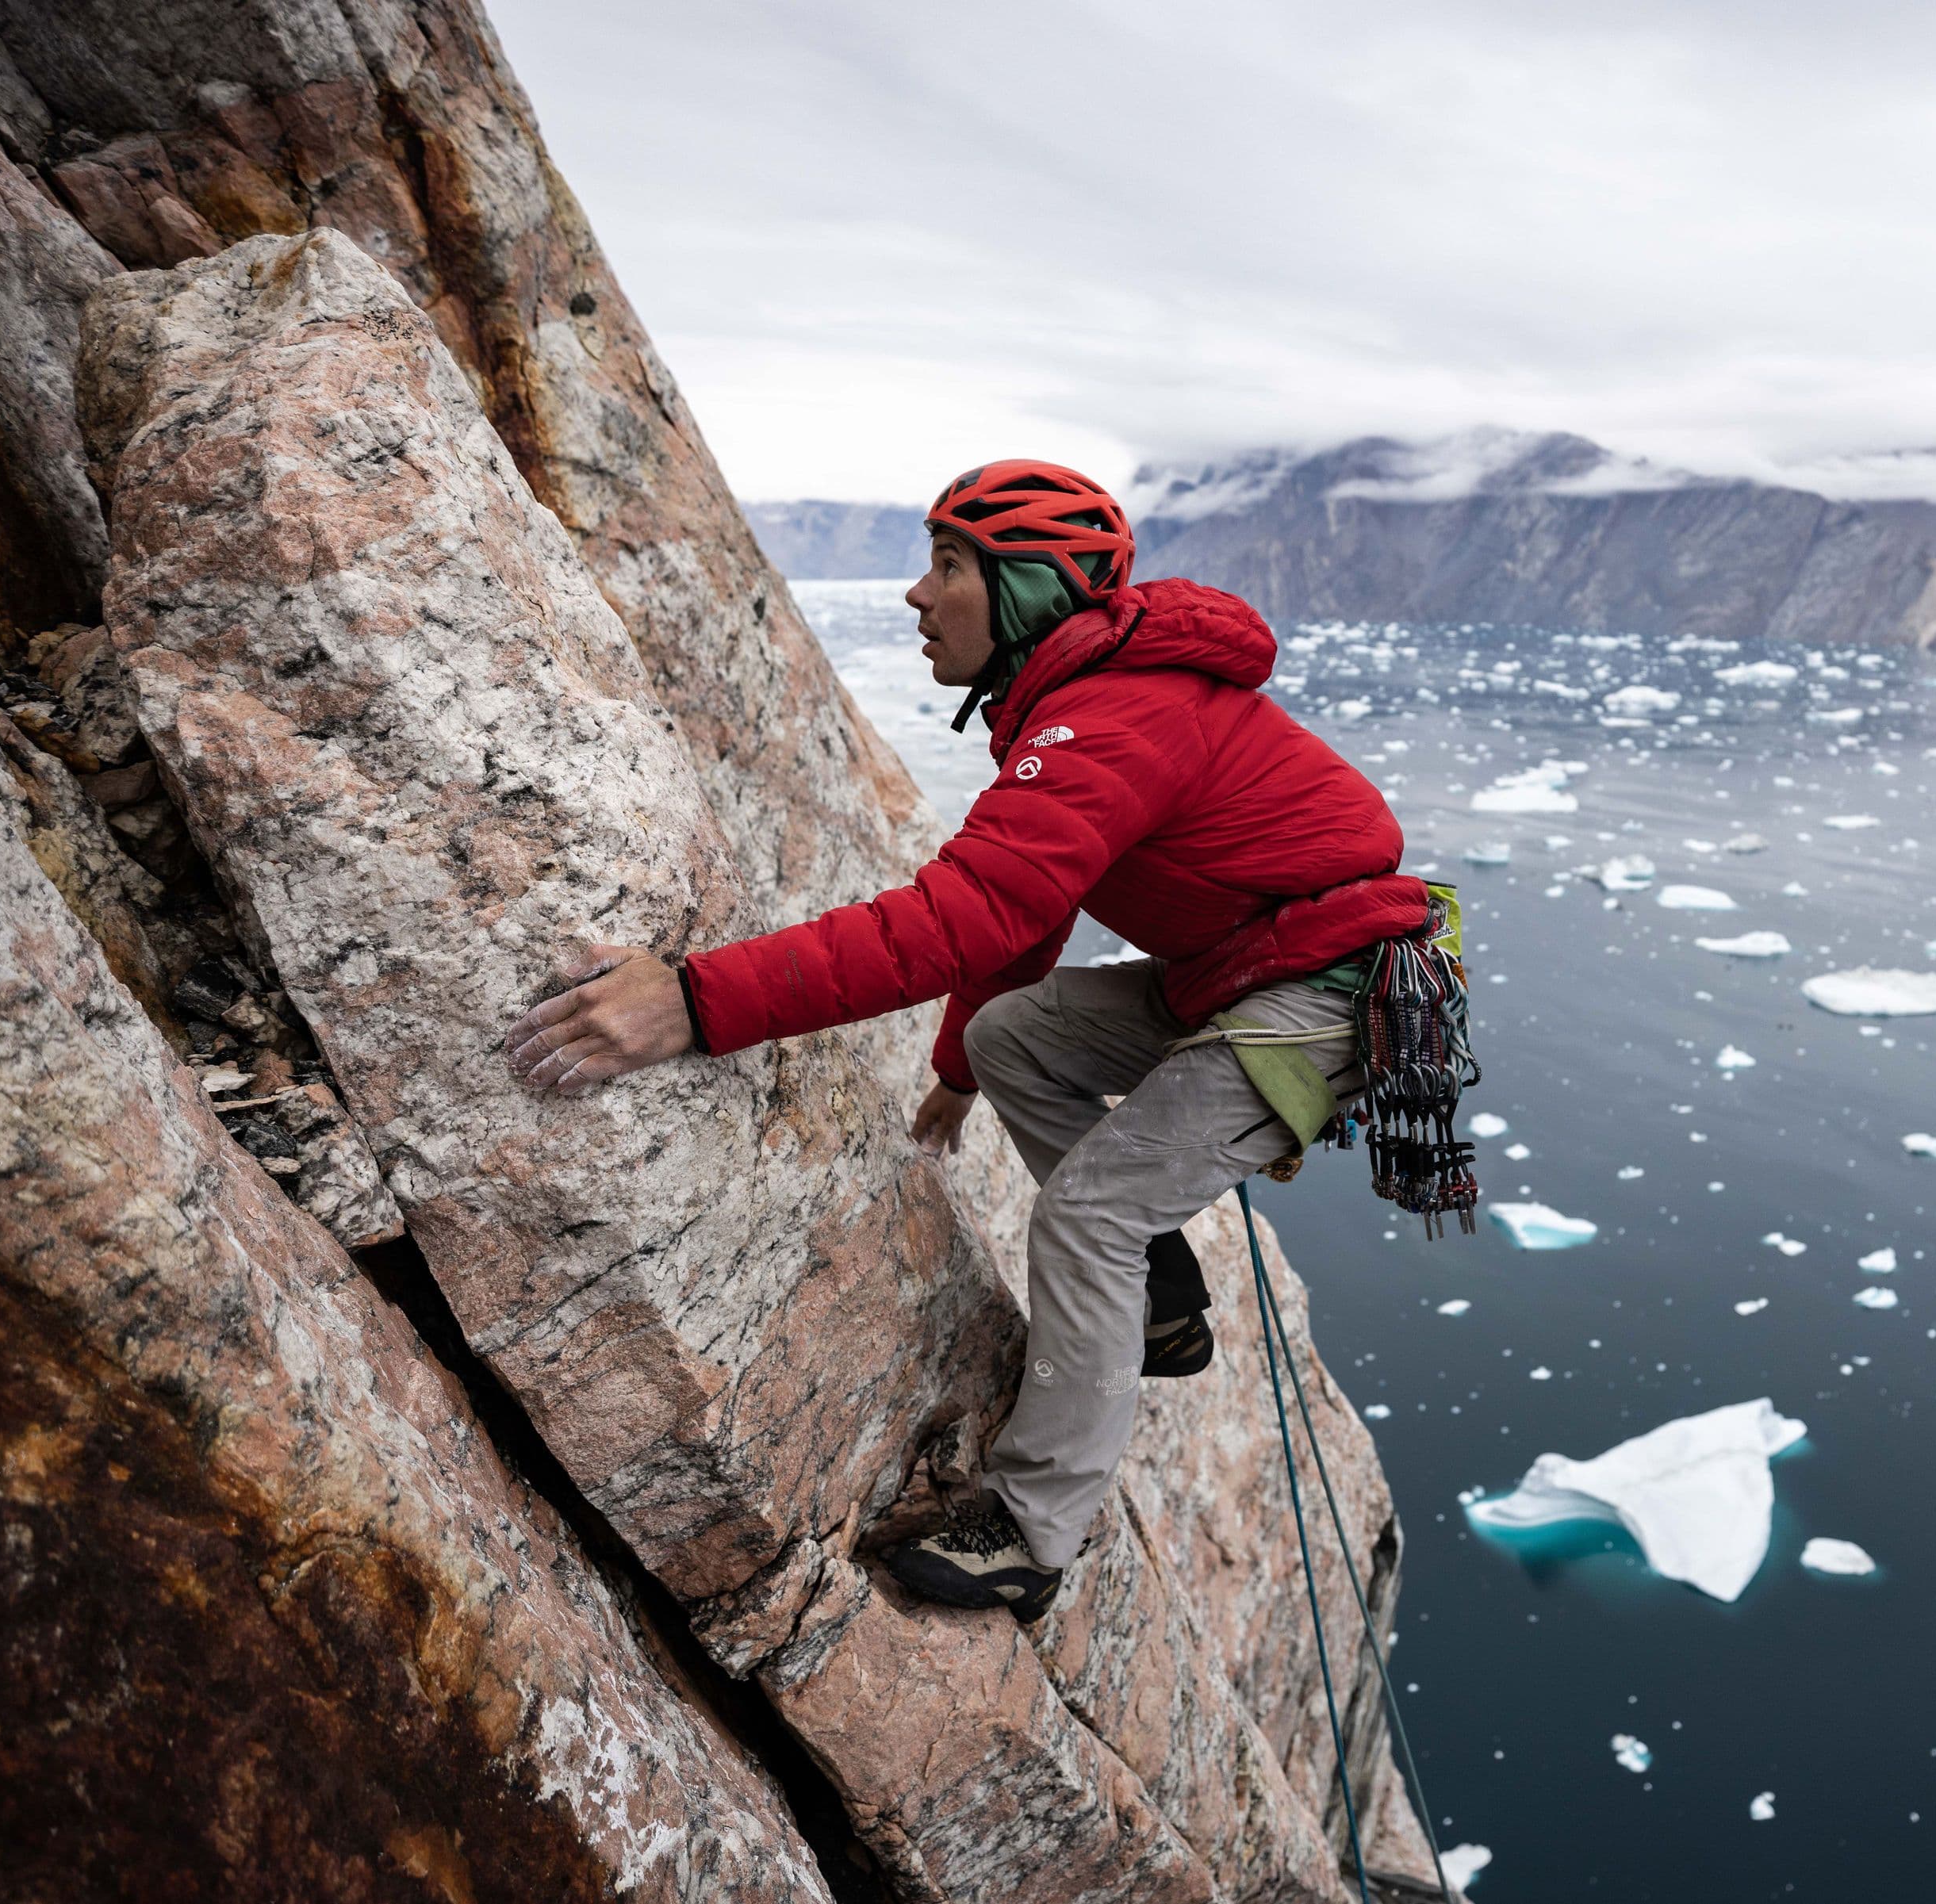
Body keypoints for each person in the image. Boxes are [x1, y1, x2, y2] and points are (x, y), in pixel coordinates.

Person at [501, 461, 1426, 1622]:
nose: (917, 595)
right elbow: (1023, 913)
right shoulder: (1080, 702)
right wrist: (957, 1068)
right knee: (1013, 1034)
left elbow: (956, 917)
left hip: (1318, 994)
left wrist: (694, 999)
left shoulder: (1118, 713)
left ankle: (1032, 1530)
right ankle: (1160, 1305)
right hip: (1243, 973)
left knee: (1094, 1209)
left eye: (949, 565)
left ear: (1031, 586)